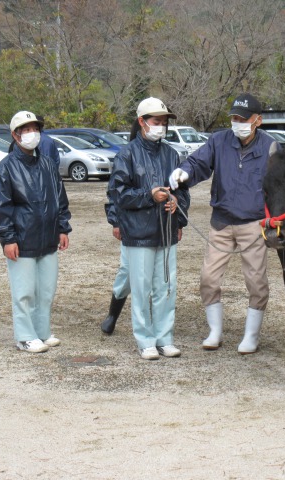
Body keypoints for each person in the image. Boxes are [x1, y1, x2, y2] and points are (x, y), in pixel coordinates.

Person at [168, 93, 279, 354]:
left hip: (254, 224)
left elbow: (281, 184)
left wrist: (274, 217)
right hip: (221, 222)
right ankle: (215, 331)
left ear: (258, 120)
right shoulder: (219, 141)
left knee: (256, 281)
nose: (238, 123)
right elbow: (198, 162)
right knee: (208, 278)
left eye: (244, 119)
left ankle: (251, 336)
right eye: (234, 118)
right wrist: (184, 172)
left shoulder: (271, 148)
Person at [109, 97, 190, 360]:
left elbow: (182, 189)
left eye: (164, 122)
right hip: (138, 231)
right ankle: (145, 340)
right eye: (157, 121)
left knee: (166, 287)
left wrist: (177, 205)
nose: (161, 126)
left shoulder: (171, 154)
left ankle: (164, 338)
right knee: (142, 288)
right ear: (142, 122)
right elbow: (119, 194)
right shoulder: (127, 154)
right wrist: (148, 195)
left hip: (166, 230)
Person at [0, 111, 72, 354]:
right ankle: (25, 336)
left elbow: (60, 198)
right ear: (15, 135)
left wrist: (62, 227)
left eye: (35, 129)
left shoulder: (47, 164)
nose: (32, 134)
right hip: (22, 238)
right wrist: (8, 238)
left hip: (48, 237)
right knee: (24, 291)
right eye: (26, 130)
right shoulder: (5, 169)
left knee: (46, 290)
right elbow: (1, 207)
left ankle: (42, 331)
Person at [100, 172, 130, 335]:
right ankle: (113, 314)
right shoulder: (124, 159)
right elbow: (114, 191)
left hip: (160, 222)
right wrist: (116, 221)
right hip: (132, 223)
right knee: (127, 271)